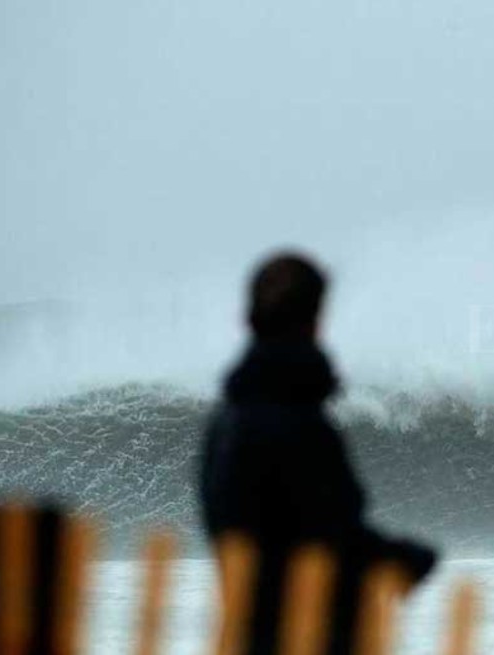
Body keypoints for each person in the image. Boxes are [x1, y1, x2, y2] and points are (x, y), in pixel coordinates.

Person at [199, 252, 436, 655]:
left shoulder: (225, 421)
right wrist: (405, 559)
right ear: (314, 320)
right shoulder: (295, 421)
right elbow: (328, 535)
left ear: (249, 319)